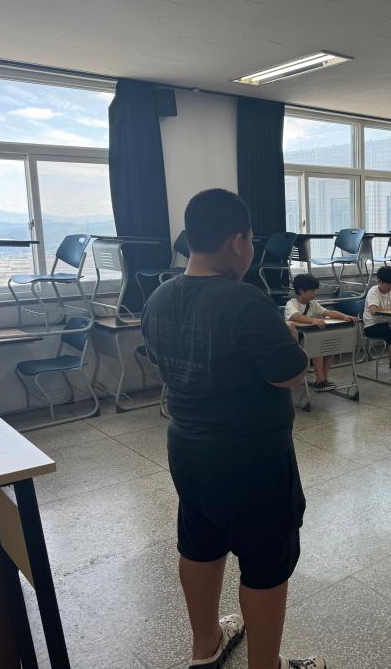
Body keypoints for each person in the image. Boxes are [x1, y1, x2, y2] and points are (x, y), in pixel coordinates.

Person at [141, 189, 326, 669]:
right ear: (238, 241)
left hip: (188, 451)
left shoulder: (158, 297)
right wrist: (289, 336)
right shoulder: (245, 301)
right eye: (250, 243)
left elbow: (163, 359)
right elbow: (290, 373)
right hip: (253, 460)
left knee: (200, 544)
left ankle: (205, 648)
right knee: (265, 562)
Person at [283, 273, 358, 391]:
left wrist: (345, 316)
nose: (315, 293)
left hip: (312, 339)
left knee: (331, 348)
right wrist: (314, 320)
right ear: (301, 291)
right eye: (312, 290)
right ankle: (320, 380)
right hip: (298, 341)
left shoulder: (312, 303)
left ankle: (323, 379)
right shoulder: (291, 304)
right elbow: (295, 316)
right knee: (318, 347)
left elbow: (328, 312)